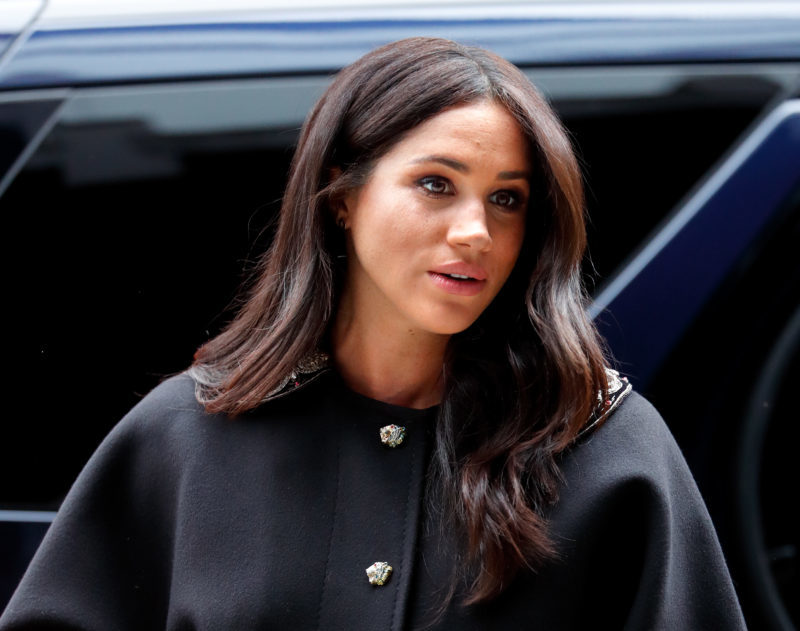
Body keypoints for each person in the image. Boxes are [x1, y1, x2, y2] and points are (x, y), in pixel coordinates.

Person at [0, 37, 746, 630]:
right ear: (342, 198)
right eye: (436, 184)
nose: (475, 230)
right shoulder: (186, 435)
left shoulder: (607, 446)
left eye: (507, 199)